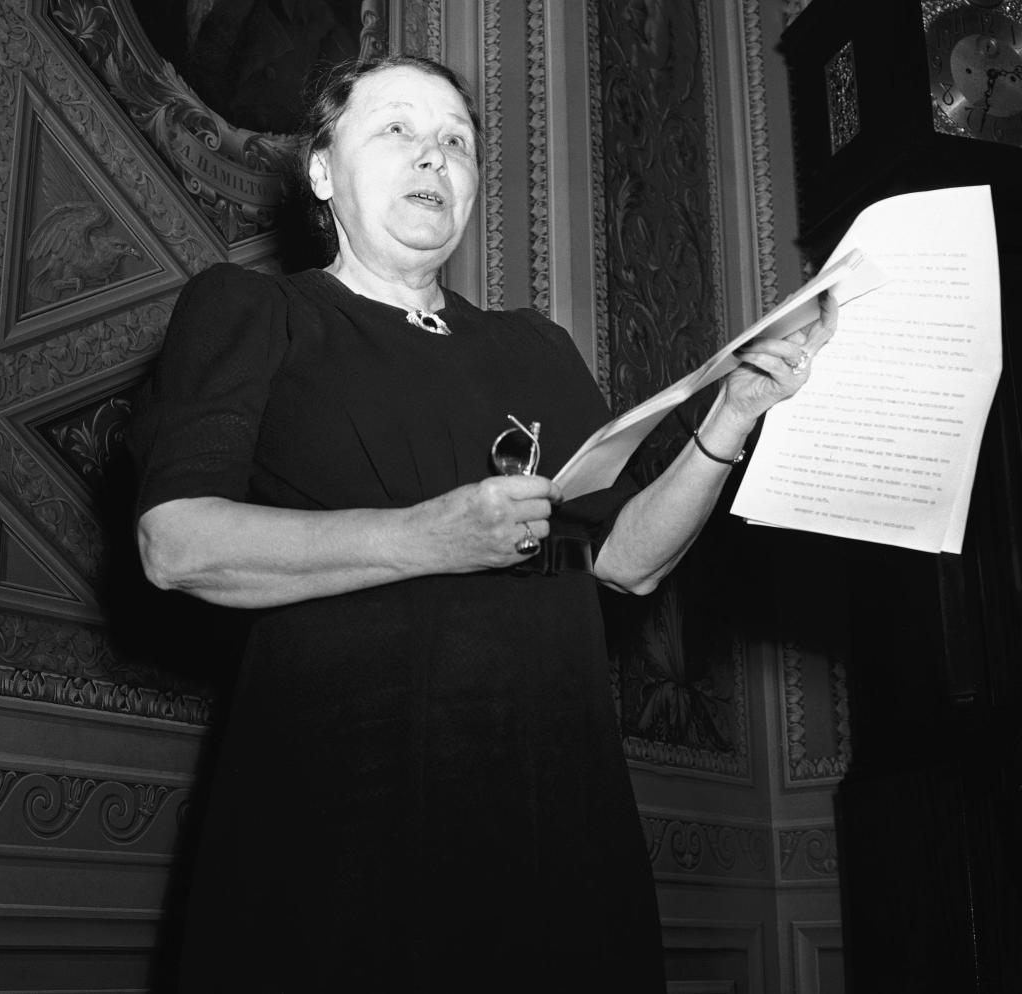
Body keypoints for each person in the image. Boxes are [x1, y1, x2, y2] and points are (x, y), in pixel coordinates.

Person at [129, 52, 834, 992]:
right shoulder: (255, 310)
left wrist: (733, 416)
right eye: (397, 132)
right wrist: (428, 539)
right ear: (323, 173)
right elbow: (176, 545)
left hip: (554, 819)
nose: (434, 158)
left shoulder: (533, 346)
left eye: (454, 142)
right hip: (344, 827)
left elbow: (626, 563)